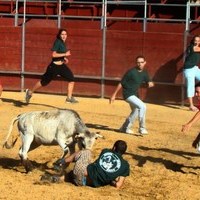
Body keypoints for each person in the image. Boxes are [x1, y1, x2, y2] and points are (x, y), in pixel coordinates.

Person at [25, 28, 78, 104]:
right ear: (59, 35)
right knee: (44, 82)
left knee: (71, 79)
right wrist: (65, 54)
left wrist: (64, 58)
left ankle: (69, 98)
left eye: (65, 34)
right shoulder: (58, 42)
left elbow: (59, 53)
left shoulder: (63, 42)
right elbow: (53, 54)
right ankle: (30, 92)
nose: (64, 36)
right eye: (62, 34)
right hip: (54, 67)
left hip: (61, 66)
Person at [48, 140, 130, 189]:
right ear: (124, 152)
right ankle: (60, 178)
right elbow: (118, 185)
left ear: (114, 148)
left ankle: (61, 163)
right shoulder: (125, 166)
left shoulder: (106, 151)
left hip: (82, 171)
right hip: (84, 183)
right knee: (74, 175)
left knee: (86, 152)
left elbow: (97, 164)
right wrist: (111, 181)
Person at [110, 55, 154, 135]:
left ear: (145, 63)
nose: (140, 64)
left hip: (135, 95)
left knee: (136, 110)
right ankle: (142, 128)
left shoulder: (144, 72)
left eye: (141, 62)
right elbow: (121, 83)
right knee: (143, 106)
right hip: (128, 94)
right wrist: (114, 95)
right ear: (136, 63)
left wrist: (150, 83)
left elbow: (149, 81)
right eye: (138, 62)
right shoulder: (131, 72)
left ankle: (124, 128)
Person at [183, 35, 200, 111]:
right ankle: (191, 106)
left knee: (192, 85)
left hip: (194, 68)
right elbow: (197, 49)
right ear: (193, 41)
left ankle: (197, 88)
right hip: (188, 69)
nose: (197, 42)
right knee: (190, 86)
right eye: (195, 40)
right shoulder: (192, 47)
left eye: (198, 41)